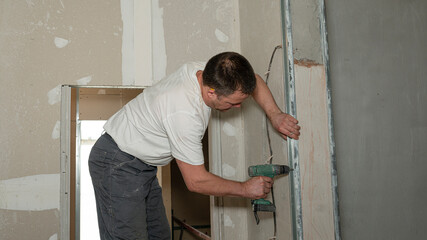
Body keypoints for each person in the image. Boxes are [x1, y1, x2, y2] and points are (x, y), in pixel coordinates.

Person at [88, 52, 300, 240]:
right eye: (232, 103)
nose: (237, 107)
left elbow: (253, 79)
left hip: (141, 166)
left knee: (158, 235)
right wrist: (245, 188)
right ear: (211, 92)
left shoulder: (210, 71)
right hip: (117, 162)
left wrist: (275, 114)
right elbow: (196, 181)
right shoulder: (184, 113)